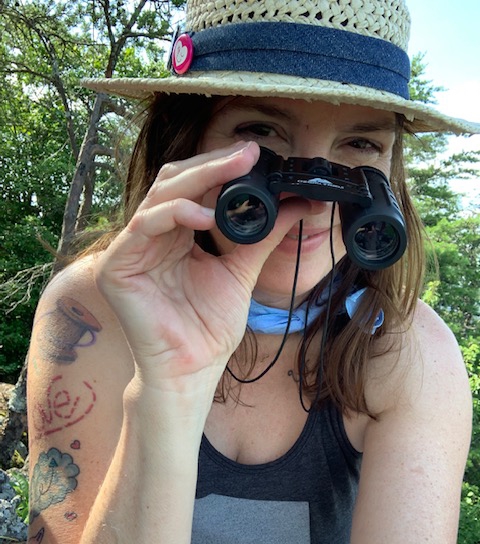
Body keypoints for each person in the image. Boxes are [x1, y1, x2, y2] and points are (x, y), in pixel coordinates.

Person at [26, 1, 480, 543]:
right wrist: (168, 388)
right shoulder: (93, 308)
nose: (310, 202)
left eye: (360, 144)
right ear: (185, 141)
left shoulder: (410, 352)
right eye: (262, 133)